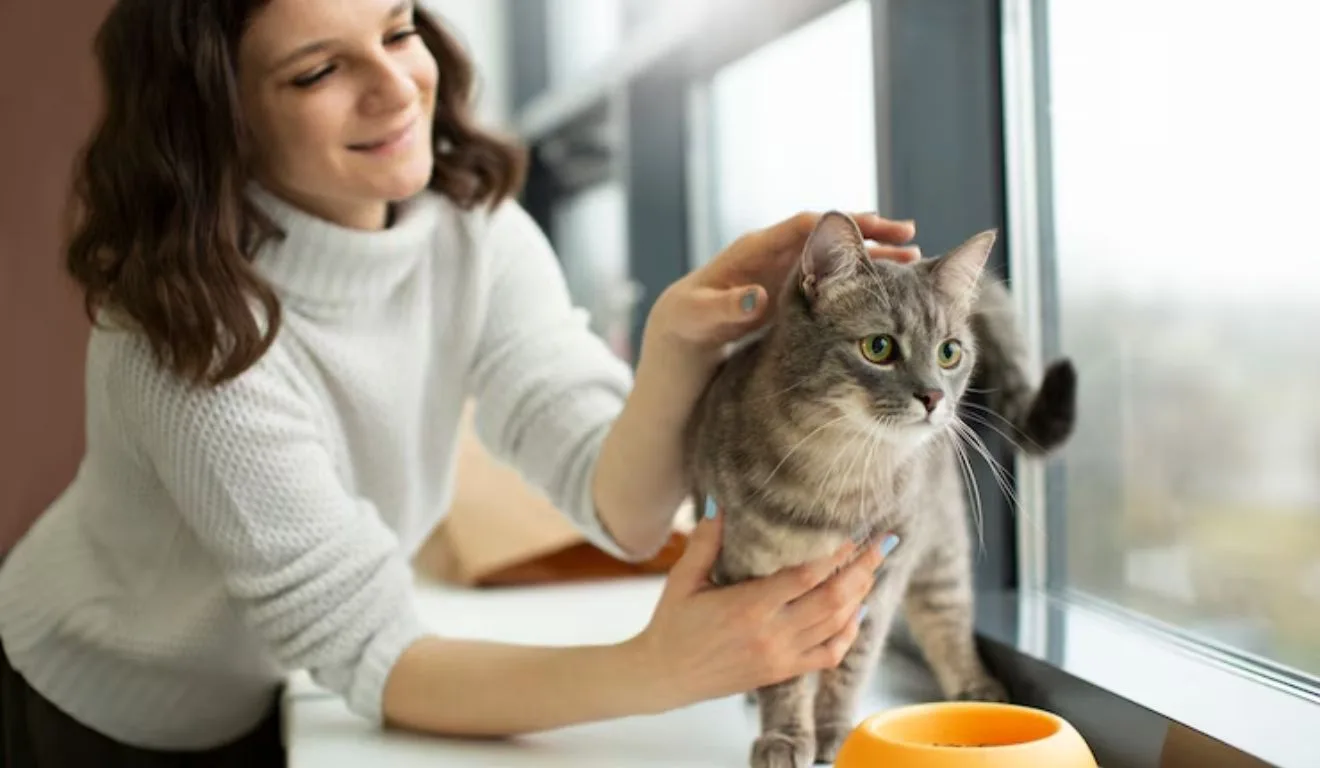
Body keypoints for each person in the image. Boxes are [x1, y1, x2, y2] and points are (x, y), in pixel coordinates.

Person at [0, 0, 921, 764]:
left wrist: (678, 340)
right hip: (109, 700)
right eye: (319, 72)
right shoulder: (182, 334)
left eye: (398, 30)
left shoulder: (467, 227)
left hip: (267, 683)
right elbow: (378, 654)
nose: (396, 87)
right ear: (216, 119)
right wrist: (661, 668)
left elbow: (625, 509)